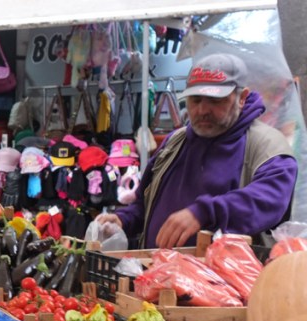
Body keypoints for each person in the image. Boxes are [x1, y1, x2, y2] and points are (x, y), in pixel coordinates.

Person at [96, 53, 297, 249]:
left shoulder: (267, 145)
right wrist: (124, 220)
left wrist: (205, 212)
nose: (202, 110)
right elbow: (144, 206)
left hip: (227, 280)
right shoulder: (174, 143)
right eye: (195, 100)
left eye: (215, 101)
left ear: (242, 98)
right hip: (157, 275)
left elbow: (270, 200)